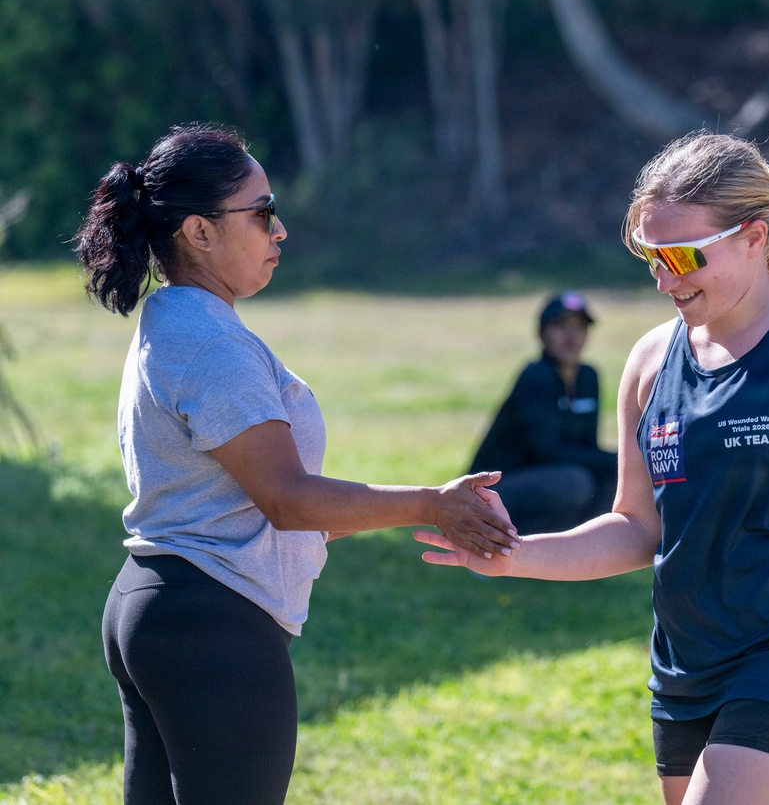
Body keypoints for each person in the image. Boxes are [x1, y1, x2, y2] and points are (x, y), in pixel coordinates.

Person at [417, 132, 769, 805]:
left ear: (753, 236)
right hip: (685, 668)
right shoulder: (652, 360)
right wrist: (515, 557)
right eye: (651, 257)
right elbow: (635, 526)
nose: (665, 278)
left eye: (683, 256)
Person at [74, 122, 519, 805]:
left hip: (163, 607)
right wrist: (432, 504)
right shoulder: (212, 345)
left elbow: (261, 510)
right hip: (212, 625)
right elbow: (286, 498)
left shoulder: (177, 322)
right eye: (261, 213)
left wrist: (404, 512)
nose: (279, 231)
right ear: (198, 232)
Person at [467, 291, 617, 534]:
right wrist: (619, 458)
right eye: (561, 327)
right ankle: (508, 546)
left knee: (616, 475)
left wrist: (625, 462)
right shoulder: (536, 377)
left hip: (550, 477)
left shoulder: (588, 376)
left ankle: (582, 554)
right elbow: (546, 451)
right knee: (575, 482)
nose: (571, 336)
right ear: (541, 334)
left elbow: (588, 445)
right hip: (495, 488)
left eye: (579, 328)